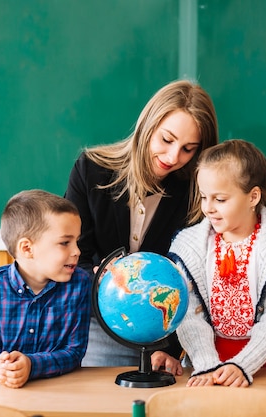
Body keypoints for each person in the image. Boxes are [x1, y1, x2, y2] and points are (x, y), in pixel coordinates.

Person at [65, 79, 219, 368]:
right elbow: (75, 257)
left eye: (188, 149)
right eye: (167, 139)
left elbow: (194, 278)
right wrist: (100, 279)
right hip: (100, 319)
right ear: (148, 126)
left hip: (168, 327)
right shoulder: (91, 170)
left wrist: (173, 349)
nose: (173, 158)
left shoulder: (197, 194)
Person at [164, 139, 266, 387]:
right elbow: (188, 314)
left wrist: (242, 365)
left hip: (263, 369)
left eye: (220, 199)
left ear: (253, 196)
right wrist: (207, 363)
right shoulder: (189, 246)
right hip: (203, 365)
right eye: (204, 197)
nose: (208, 208)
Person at [0, 189, 91, 388]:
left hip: (61, 394)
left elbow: (74, 352)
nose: (77, 251)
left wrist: (32, 365)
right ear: (27, 248)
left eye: (76, 241)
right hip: (1, 396)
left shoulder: (79, 284)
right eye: (65, 242)